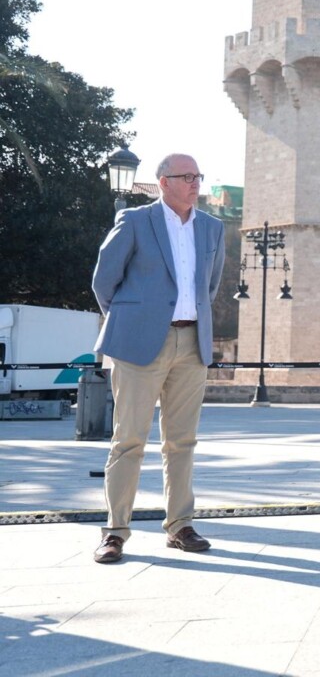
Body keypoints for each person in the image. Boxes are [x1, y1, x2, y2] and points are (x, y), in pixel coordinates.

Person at [90, 154, 226, 564]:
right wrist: (136, 318)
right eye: (187, 177)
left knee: (182, 441)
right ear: (163, 182)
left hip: (192, 344)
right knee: (128, 440)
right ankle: (114, 532)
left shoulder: (213, 228)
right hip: (137, 344)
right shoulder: (135, 221)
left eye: (198, 176)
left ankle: (180, 526)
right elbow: (103, 281)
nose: (195, 183)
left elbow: (211, 285)